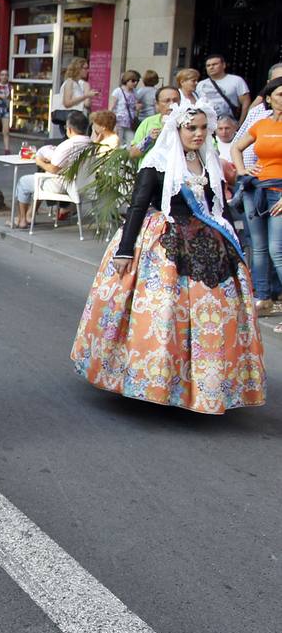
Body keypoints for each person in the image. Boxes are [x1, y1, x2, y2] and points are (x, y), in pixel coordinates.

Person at [74, 101, 265, 413]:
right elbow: (138, 206)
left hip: (209, 245)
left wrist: (236, 246)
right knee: (162, 315)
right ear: (177, 129)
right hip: (163, 244)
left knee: (211, 317)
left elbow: (219, 208)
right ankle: (153, 379)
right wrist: (124, 250)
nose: (199, 134)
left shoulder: (208, 162)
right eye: (192, 128)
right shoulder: (157, 162)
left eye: (204, 128)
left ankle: (204, 383)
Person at [231, 75, 282, 317]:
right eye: (280, 94)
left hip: (279, 192)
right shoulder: (261, 124)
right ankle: (262, 298)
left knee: (276, 249)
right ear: (269, 98)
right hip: (256, 188)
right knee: (259, 248)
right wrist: (242, 170)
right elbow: (236, 147)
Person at [11, 111, 93, 230]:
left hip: (61, 186)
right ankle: (29, 215)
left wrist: (40, 162)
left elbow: (54, 169)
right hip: (83, 185)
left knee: (23, 182)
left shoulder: (68, 145)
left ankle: (22, 219)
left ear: (69, 129)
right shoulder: (91, 143)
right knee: (41, 177)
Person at [128, 85, 182, 159]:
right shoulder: (148, 122)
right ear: (157, 104)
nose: (172, 104)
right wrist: (149, 140)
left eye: (175, 100)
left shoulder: (186, 122)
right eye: (167, 101)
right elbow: (133, 154)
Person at [201, 53, 250, 124]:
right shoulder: (200, 84)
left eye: (215, 64)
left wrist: (241, 124)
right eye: (208, 65)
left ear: (224, 65)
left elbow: (246, 103)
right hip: (207, 125)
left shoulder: (236, 80)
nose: (211, 67)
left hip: (229, 125)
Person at [51, 57, 92, 138]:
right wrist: (86, 95)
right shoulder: (70, 82)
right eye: (85, 68)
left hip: (77, 120)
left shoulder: (78, 84)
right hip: (70, 121)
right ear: (78, 68)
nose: (88, 70)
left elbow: (86, 104)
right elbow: (67, 103)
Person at [111, 70, 141, 146]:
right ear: (126, 80)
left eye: (137, 81)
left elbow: (134, 106)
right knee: (118, 142)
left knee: (132, 141)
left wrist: (137, 107)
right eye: (133, 81)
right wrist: (111, 121)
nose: (135, 83)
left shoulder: (135, 92)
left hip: (130, 122)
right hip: (119, 121)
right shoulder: (118, 91)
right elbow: (112, 106)